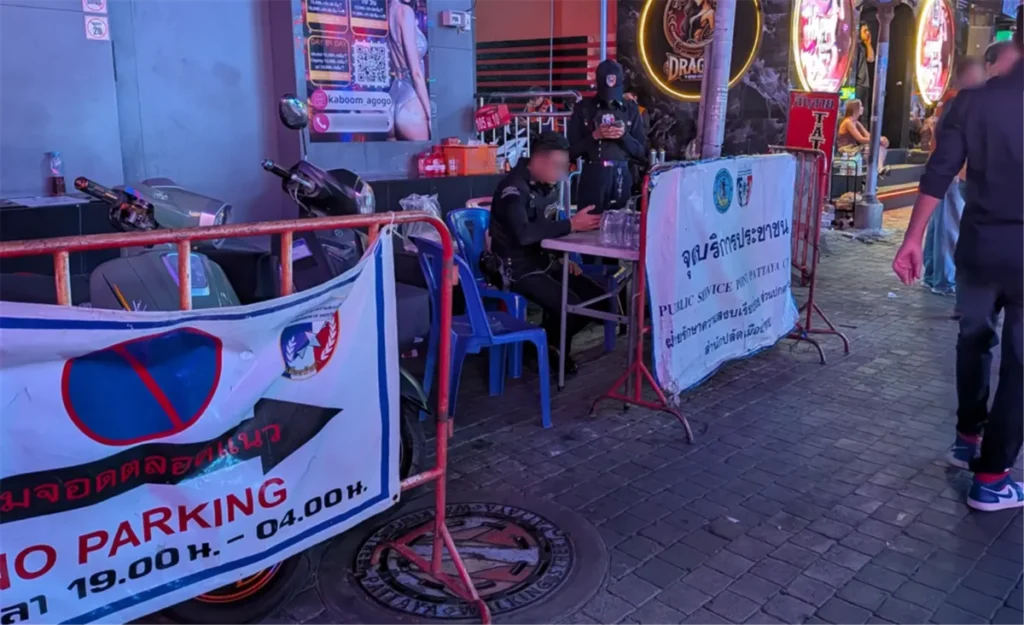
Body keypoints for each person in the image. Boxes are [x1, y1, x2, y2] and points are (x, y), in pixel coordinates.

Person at [892, 12, 1024, 512]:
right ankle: (992, 479)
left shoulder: (973, 102)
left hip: (978, 247)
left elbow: (940, 170)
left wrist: (911, 239)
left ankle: (967, 439)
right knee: (1020, 363)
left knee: (973, 339)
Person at [489, 132, 604, 373]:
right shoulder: (513, 189)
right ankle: (549, 350)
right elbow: (523, 234)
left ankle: (549, 344)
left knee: (596, 299)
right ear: (540, 161)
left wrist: (564, 258)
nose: (563, 173)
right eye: (559, 166)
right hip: (516, 268)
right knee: (571, 306)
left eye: (566, 166)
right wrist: (571, 225)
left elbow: (547, 228)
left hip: (543, 260)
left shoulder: (545, 186)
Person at [921, 58, 985, 295]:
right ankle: (944, 280)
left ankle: (932, 275)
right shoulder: (959, 101)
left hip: (944, 172)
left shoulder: (949, 101)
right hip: (952, 173)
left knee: (940, 226)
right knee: (948, 227)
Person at [567, 60, 647, 214]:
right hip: (593, 174)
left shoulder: (630, 109)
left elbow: (641, 152)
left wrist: (624, 136)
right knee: (589, 228)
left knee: (620, 227)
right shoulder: (584, 108)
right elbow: (571, 151)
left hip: (621, 175)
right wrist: (595, 136)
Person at [388, 0, 431, 140]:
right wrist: (430, 116)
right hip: (410, 99)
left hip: (392, 97)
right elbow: (416, 73)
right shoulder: (405, 12)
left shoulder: (386, 12)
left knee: (393, 160)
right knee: (423, 157)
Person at [837, 99, 889, 176]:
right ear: (855, 108)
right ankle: (877, 170)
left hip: (853, 147)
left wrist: (880, 139)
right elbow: (860, 139)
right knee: (869, 148)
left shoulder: (856, 122)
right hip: (846, 149)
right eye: (860, 106)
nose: (862, 108)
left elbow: (868, 136)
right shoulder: (848, 122)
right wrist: (877, 140)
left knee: (881, 148)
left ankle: (878, 169)